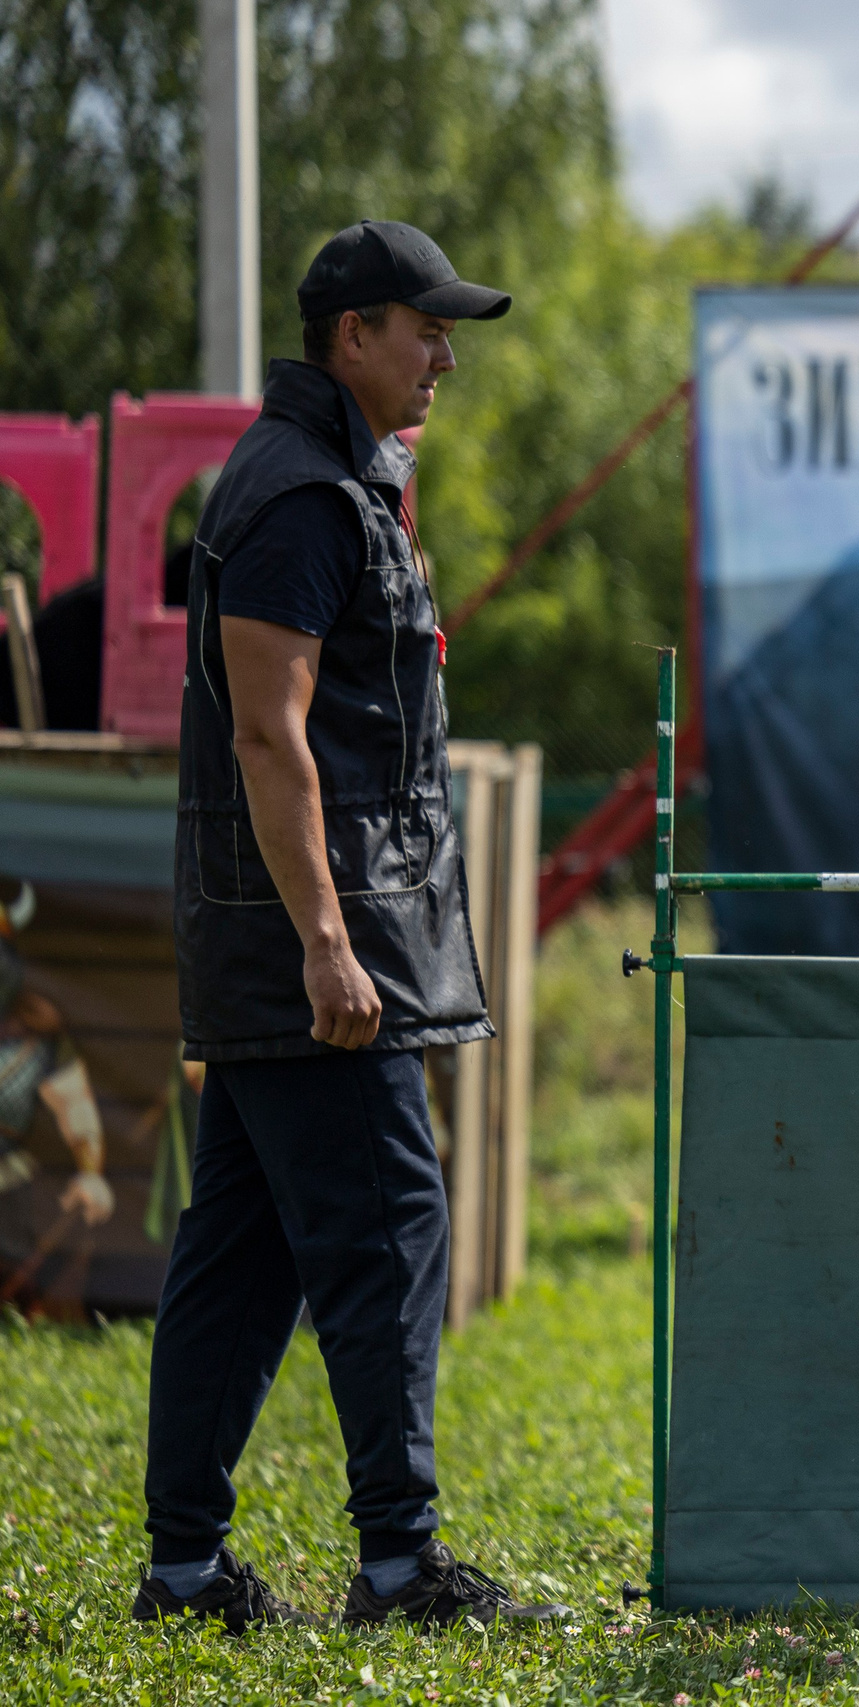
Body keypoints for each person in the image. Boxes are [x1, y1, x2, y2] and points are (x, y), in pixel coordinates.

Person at [132, 221, 566, 1632]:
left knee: (244, 1252)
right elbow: (270, 732)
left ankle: (187, 1569)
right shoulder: (305, 498)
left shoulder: (334, 483)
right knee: (390, 1221)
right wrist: (326, 937)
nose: (445, 356)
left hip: (291, 934)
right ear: (350, 336)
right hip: (310, 944)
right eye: (423, 327)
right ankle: (401, 1568)